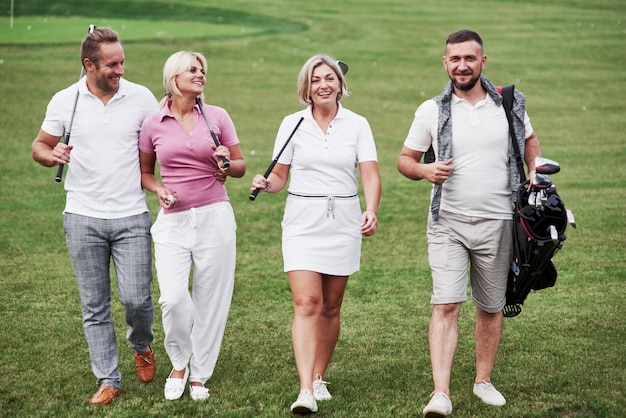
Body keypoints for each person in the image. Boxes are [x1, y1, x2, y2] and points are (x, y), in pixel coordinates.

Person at [397, 29, 542, 417]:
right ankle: (440, 393)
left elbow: (531, 143)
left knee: (492, 306)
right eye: (455, 59)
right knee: (446, 303)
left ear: (483, 62)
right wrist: (425, 170)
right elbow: (405, 160)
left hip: (499, 221)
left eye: (470, 58)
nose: (462, 65)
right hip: (448, 221)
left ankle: (483, 381)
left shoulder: (509, 104)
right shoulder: (432, 109)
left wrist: (533, 169)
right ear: (445, 63)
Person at [31, 27, 159, 405]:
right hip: (82, 217)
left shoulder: (141, 98)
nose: (120, 69)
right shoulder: (65, 100)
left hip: (132, 215)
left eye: (122, 62)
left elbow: (162, 139)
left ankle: (141, 343)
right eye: (112, 64)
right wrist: (50, 155)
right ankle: (109, 378)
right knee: (95, 305)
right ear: (89, 65)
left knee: (137, 299)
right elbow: (40, 145)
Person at [250, 54, 381, 414]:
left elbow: (369, 173)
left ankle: (320, 375)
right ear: (306, 87)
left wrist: (370, 209)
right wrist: (267, 182)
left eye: (330, 79)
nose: (323, 85)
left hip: (343, 222)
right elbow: (279, 176)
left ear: (340, 85)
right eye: (315, 80)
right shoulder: (292, 124)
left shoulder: (358, 124)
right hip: (302, 223)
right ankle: (305, 389)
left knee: (331, 306)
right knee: (307, 303)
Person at [139, 50, 246, 402]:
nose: (200, 74)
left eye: (203, 70)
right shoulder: (154, 122)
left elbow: (240, 165)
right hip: (173, 221)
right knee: (173, 300)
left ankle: (199, 372)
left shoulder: (217, 117)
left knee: (211, 300)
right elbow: (145, 173)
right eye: (193, 70)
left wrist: (226, 164)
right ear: (174, 78)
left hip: (215, 215)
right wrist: (160, 189)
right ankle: (179, 361)